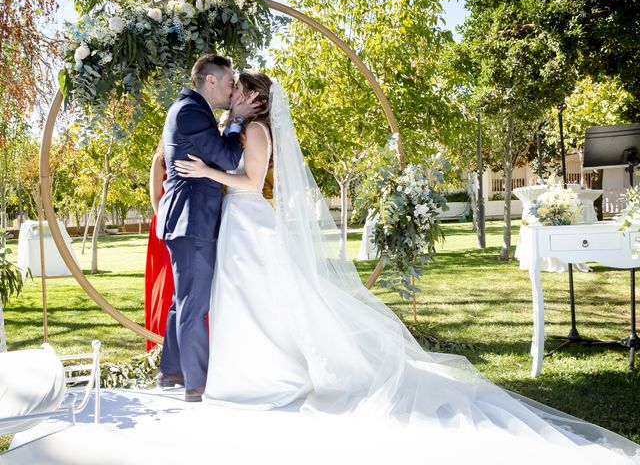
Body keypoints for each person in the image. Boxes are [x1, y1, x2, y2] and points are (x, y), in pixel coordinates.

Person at [174, 73, 640, 463]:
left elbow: (252, 182)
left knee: (255, 300)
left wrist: (207, 173)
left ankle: (264, 376)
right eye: (230, 88)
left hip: (250, 220)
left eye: (238, 90)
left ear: (255, 98)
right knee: (251, 302)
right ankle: (250, 373)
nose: (232, 93)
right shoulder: (242, 126)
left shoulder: (256, 131)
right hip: (243, 225)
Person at [155, 55, 260, 402]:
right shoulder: (191, 111)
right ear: (211, 81)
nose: (233, 90)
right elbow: (228, 159)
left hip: (187, 218)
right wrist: (238, 121)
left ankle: (172, 369)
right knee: (194, 303)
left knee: (182, 299)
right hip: (192, 219)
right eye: (230, 82)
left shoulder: (189, 109)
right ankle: (196, 384)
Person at [144, 141, 174, 352]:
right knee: (164, 282)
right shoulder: (160, 159)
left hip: (186, 223)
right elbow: (155, 197)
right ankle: (159, 340)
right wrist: (165, 223)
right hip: (164, 224)